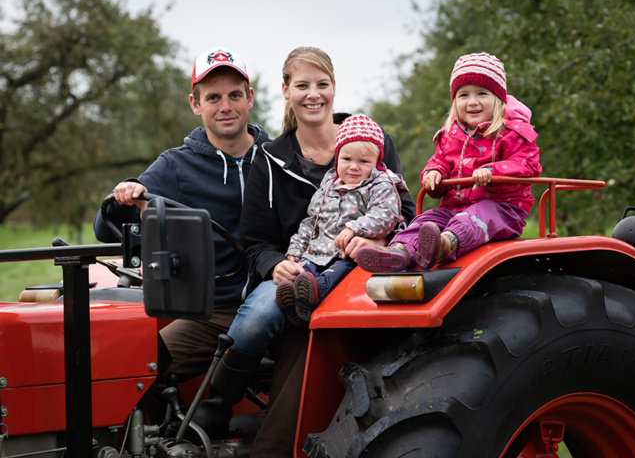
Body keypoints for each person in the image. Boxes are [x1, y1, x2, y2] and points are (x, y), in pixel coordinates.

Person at [193, 46, 415, 456]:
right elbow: (256, 242)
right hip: (301, 267)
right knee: (259, 314)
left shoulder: (371, 139)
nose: (313, 95)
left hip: (355, 265)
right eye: (302, 86)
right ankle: (219, 401)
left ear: (334, 88)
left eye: (322, 84)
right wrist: (276, 265)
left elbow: (402, 207)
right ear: (285, 91)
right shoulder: (269, 160)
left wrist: (378, 238)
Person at [93, 47, 269, 388]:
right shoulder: (175, 166)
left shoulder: (277, 158)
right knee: (129, 373)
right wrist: (124, 195)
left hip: (276, 300)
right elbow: (107, 230)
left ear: (250, 98)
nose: (226, 107)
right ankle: (167, 437)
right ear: (195, 104)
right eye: (213, 97)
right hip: (212, 312)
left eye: (235, 95)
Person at [356, 52, 541, 273]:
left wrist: (492, 170)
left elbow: (527, 165)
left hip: (502, 208)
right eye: (463, 95)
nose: (472, 102)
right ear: (455, 101)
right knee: (427, 220)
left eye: (482, 93)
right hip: (455, 208)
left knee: (473, 218)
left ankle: (442, 246)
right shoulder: (450, 135)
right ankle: (399, 252)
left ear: (498, 99)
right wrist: (434, 173)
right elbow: (440, 160)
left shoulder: (512, 132)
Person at [278, 113, 407, 326]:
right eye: (347, 159)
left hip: (348, 254)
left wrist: (354, 228)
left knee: (337, 271)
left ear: (377, 163)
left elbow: (386, 215)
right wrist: (295, 250)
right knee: (301, 270)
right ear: (337, 158)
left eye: (364, 161)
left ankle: (314, 294)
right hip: (318, 252)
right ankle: (295, 303)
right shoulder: (329, 184)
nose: (354, 167)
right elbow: (311, 222)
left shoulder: (381, 184)